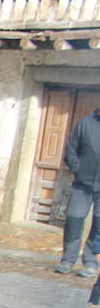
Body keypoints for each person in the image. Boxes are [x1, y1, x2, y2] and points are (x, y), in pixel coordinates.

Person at [60, 105, 100, 277]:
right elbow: (71, 149)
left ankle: (91, 263)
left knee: (99, 226)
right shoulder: (85, 123)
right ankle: (67, 260)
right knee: (73, 221)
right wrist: (78, 169)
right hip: (82, 184)